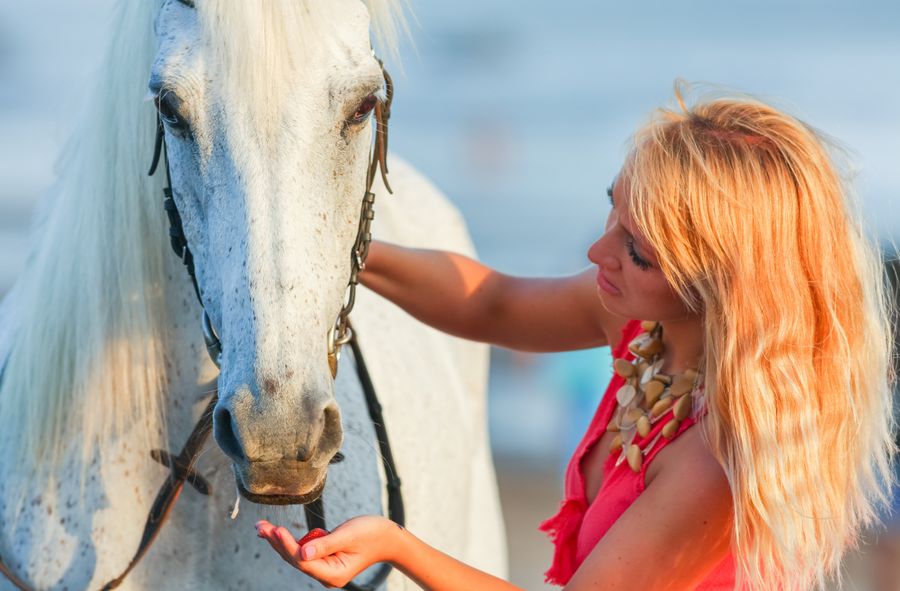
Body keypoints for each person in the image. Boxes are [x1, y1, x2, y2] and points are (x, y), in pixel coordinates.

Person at [255, 85, 896, 591]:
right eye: (611, 208)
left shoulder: (713, 463)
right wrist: (340, 250)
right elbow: (497, 305)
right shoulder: (648, 325)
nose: (597, 251)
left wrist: (398, 545)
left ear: (725, 290)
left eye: (637, 252)